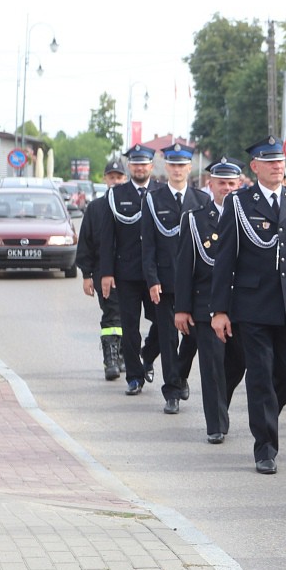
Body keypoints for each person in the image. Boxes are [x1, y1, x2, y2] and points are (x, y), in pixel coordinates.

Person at [210, 136, 286, 474]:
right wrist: (219, 310)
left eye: (281, 161)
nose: (279, 166)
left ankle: (265, 415)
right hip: (252, 306)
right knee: (259, 375)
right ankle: (265, 447)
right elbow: (224, 261)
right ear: (255, 167)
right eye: (270, 161)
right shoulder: (239, 203)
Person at [174, 159, 247, 445]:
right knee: (212, 365)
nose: (227, 188)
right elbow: (184, 266)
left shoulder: (249, 216)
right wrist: (181, 308)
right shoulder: (194, 218)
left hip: (241, 304)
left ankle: (220, 404)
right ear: (211, 184)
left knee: (237, 363)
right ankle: (215, 423)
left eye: (232, 183)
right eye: (221, 183)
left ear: (239, 185)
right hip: (205, 305)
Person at [142, 142, 210, 415]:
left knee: (193, 337)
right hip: (166, 282)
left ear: (189, 167)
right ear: (166, 167)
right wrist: (152, 279)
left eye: (183, 165)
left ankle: (180, 375)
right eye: (173, 165)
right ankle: (171, 391)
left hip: (196, 284)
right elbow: (147, 244)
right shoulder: (153, 199)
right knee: (168, 338)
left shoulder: (201, 200)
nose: (178, 170)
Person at [100, 144, 163, 395]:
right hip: (126, 273)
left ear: (151, 166)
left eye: (144, 163)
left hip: (157, 274)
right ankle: (134, 377)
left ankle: (147, 355)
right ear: (130, 167)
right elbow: (108, 237)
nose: (139, 167)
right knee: (129, 327)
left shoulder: (161, 192)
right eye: (135, 163)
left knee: (162, 323)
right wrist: (106, 273)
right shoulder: (116, 195)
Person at [76, 160, 127, 380]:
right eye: (111, 177)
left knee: (128, 316)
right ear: (105, 179)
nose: (115, 181)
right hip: (101, 272)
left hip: (129, 272)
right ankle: (111, 358)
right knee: (111, 315)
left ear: (125, 179)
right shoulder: (96, 208)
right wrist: (86, 275)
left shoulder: (133, 204)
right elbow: (85, 243)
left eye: (119, 177)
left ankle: (124, 353)